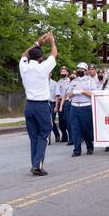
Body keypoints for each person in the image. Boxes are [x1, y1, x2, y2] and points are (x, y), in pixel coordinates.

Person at [19, 32, 57, 176]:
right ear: (41, 58)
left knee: (33, 136)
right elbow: (54, 54)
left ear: (30, 57)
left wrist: (38, 42)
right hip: (41, 105)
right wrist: (52, 41)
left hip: (29, 105)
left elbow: (24, 54)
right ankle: (37, 165)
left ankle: (34, 162)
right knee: (45, 133)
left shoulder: (24, 67)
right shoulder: (43, 68)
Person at [67, 62, 95, 157]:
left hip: (85, 106)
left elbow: (93, 94)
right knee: (75, 129)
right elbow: (68, 94)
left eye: (81, 69)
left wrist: (83, 92)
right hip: (74, 106)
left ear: (85, 71)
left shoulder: (89, 81)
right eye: (78, 69)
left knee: (86, 129)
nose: (79, 71)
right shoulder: (73, 81)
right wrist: (73, 93)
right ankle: (77, 150)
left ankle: (90, 147)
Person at [56, 67, 71, 143]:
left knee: (67, 120)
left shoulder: (70, 81)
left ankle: (71, 137)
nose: (63, 73)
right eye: (62, 71)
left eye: (64, 71)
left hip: (68, 102)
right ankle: (64, 135)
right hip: (60, 102)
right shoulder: (59, 82)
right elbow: (58, 93)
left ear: (67, 73)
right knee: (61, 122)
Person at [48, 72, 60, 145]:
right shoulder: (42, 83)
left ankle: (56, 134)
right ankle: (47, 138)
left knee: (51, 120)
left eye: (48, 73)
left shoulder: (55, 83)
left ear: (51, 74)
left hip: (52, 103)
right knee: (47, 121)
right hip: (44, 103)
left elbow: (57, 96)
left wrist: (56, 106)